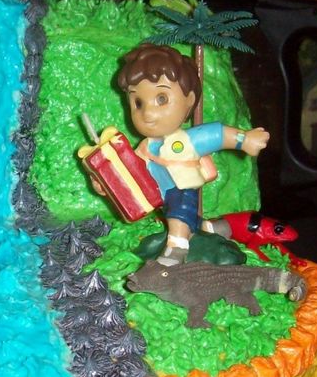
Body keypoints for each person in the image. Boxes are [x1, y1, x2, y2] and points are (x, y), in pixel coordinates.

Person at [115, 44, 269, 264]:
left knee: (179, 211)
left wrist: (244, 139)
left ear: (189, 99)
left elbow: (218, 134)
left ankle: (177, 247)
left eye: (161, 99)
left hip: (183, 187)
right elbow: (128, 172)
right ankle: (211, 227)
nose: (148, 113)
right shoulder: (145, 147)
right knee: (180, 214)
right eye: (138, 103)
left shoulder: (187, 139)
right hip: (162, 196)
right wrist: (107, 182)